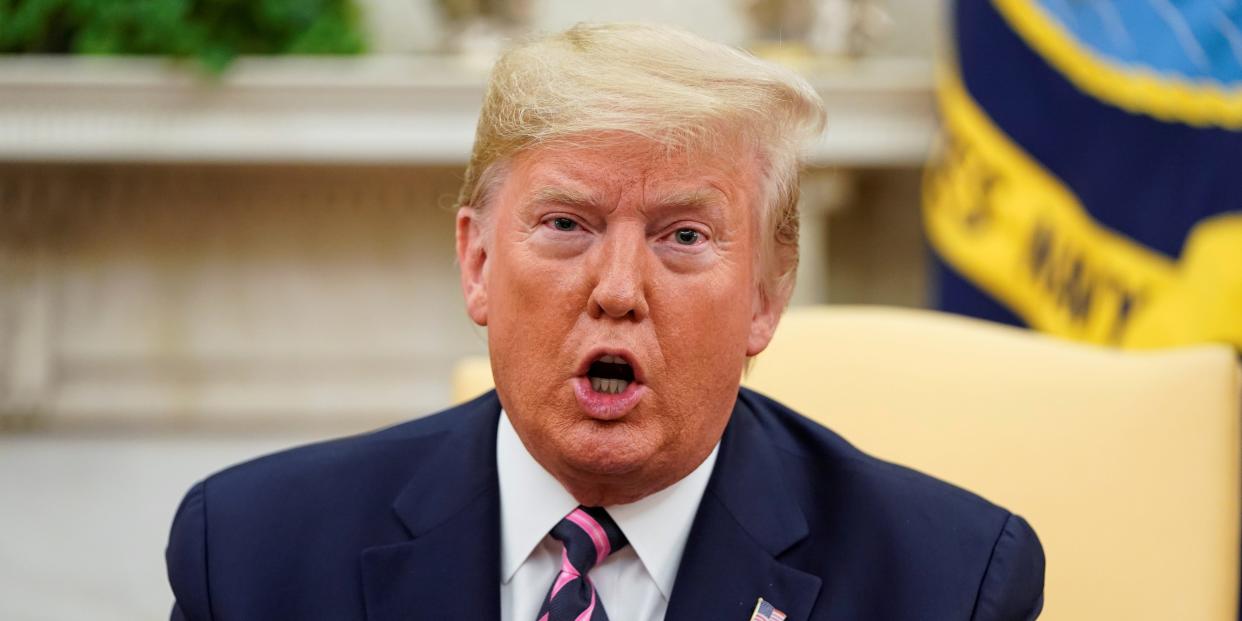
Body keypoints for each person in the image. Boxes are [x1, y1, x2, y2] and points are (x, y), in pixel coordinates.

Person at [166, 22, 1044, 621]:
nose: (617, 288)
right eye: (566, 224)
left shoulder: (945, 583)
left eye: (685, 235)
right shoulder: (255, 553)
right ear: (476, 263)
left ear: (767, 296)